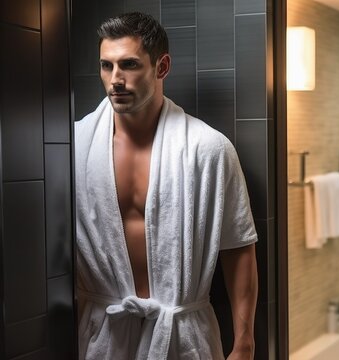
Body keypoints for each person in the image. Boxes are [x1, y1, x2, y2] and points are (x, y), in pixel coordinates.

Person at [74, 12, 258, 360]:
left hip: (183, 336)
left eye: (128, 65)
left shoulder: (208, 148)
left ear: (161, 67)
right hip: (103, 334)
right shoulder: (74, 145)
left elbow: (238, 247)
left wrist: (244, 343)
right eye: (106, 66)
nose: (115, 79)